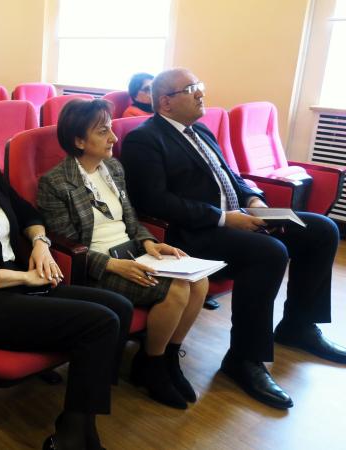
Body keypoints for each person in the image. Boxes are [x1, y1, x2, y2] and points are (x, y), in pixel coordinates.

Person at [0, 94, 133, 450]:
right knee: (102, 322)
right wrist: (25, 277)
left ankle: (80, 419)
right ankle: (75, 432)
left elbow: (29, 214)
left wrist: (41, 244)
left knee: (119, 307)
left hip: (22, 282)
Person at [121, 68, 346, 410]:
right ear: (166, 102)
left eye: (199, 86)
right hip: (193, 234)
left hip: (238, 216)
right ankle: (243, 358)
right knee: (269, 252)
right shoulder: (145, 139)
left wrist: (254, 200)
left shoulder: (201, 130)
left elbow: (232, 176)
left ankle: (299, 325)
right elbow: (154, 201)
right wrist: (225, 218)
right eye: (191, 89)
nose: (201, 93)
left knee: (322, 230)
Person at [38, 99, 207, 409]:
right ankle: (152, 365)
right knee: (177, 289)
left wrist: (148, 243)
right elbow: (67, 246)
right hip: (99, 266)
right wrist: (113, 265)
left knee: (200, 281)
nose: (114, 138)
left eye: (111, 129)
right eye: (103, 132)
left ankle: (170, 356)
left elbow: (131, 219)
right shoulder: (55, 183)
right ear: (79, 141)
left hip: (132, 253)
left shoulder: (113, 168)